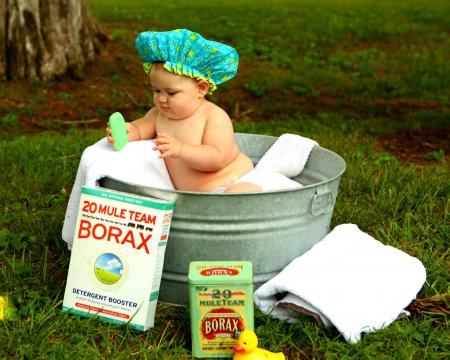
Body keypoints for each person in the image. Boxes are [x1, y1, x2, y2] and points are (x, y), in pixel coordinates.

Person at [107, 29, 262, 193]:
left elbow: (217, 158)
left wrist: (181, 149)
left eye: (171, 93)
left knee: (242, 193)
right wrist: (126, 132)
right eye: (156, 90)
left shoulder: (213, 116)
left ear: (201, 89)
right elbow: (140, 129)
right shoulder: (158, 114)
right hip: (196, 196)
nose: (161, 98)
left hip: (232, 180)